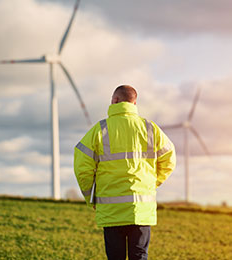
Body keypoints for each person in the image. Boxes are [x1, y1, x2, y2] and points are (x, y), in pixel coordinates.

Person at [74, 85, 176, 260]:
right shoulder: (150, 128)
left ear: (115, 101)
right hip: (141, 211)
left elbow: (82, 167)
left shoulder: (100, 130)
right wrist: (153, 182)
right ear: (134, 103)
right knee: (139, 256)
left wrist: (91, 196)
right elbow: (169, 159)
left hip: (111, 210)